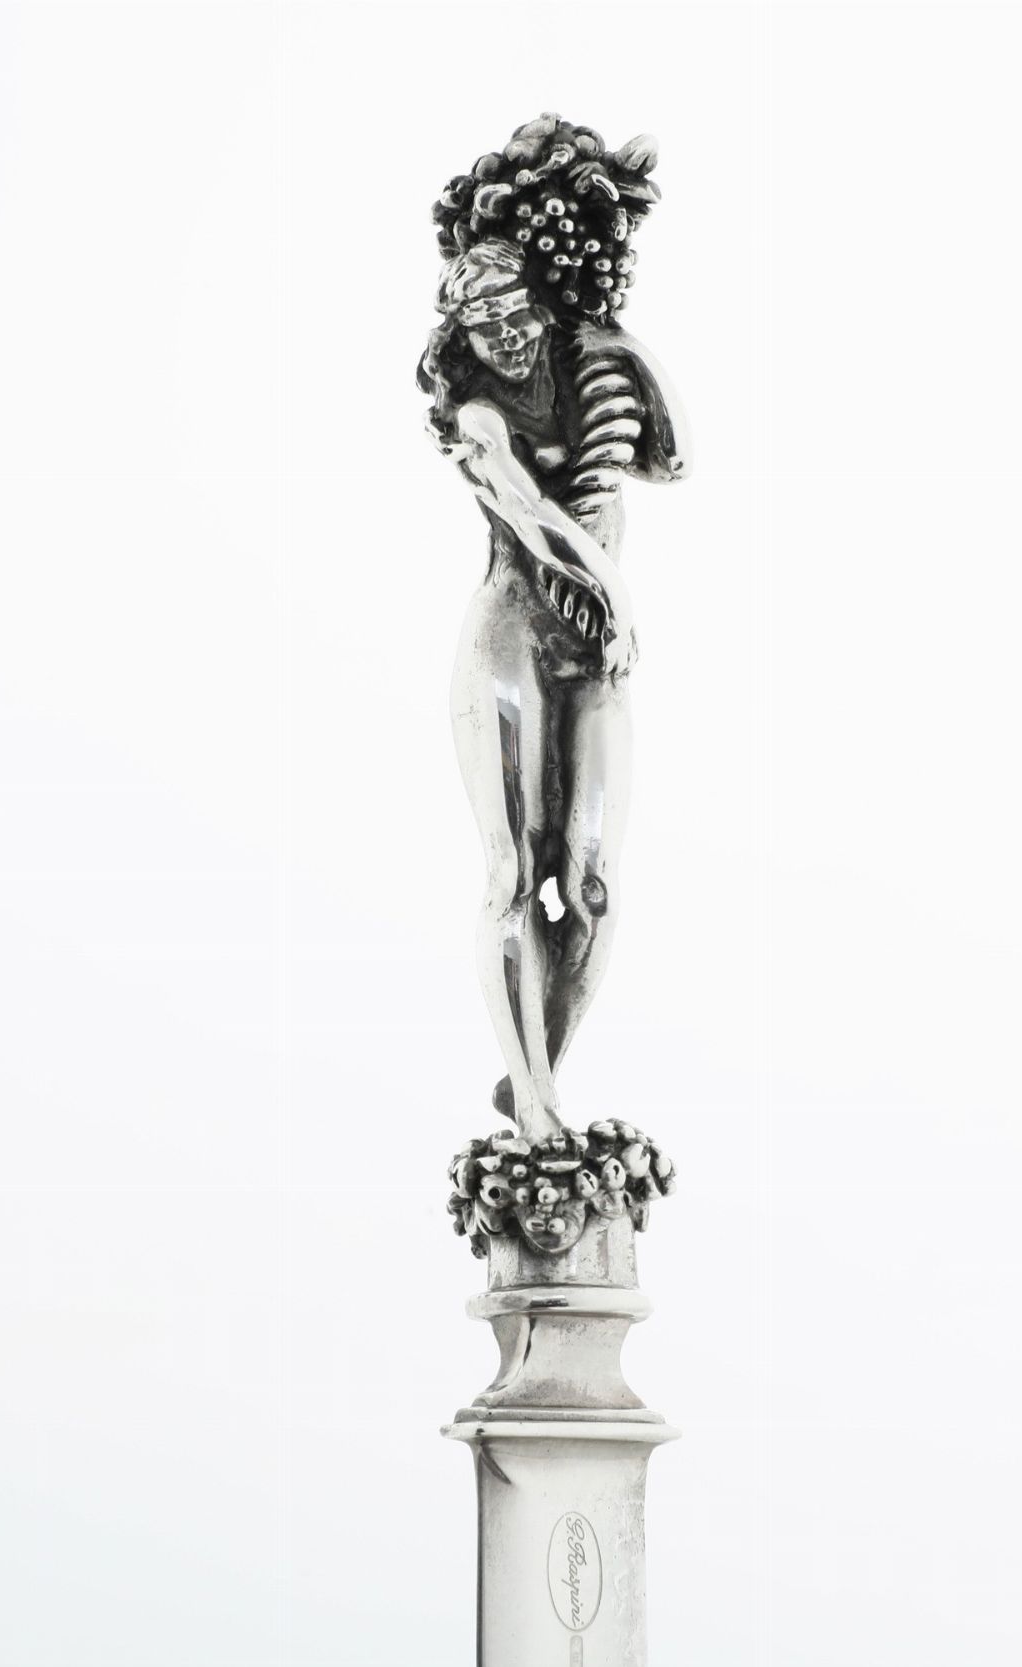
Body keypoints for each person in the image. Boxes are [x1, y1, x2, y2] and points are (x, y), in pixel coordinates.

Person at [420, 117, 683, 1140]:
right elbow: (529, 514)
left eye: (516, 315)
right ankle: (534, 1104)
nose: (507, 337)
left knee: (592, 883)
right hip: (511, 637)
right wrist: (612, 590)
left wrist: (624, 347)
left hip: (594, 657)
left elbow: (670, 460)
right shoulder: (477, 415)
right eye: (485, 327)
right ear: (464, 336)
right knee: (510, 869)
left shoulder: (586, 370)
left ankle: (541, 1070)